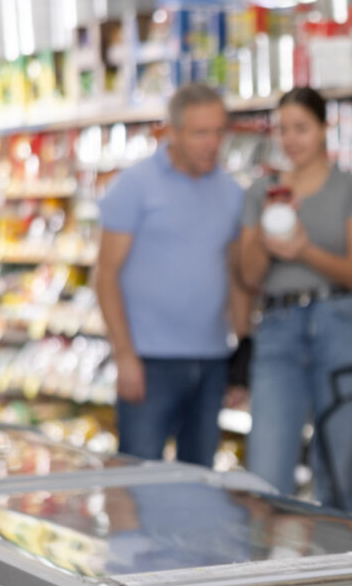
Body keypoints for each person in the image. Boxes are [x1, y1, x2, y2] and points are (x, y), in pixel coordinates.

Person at [237, 87, 352, 511]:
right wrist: (269, 232)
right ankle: (265, 573)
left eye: (301, 128)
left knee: (336, 473)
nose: (291, 139)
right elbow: (248, 275)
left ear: (324, 129)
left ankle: (336, 572)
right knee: (266, 474)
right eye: (282, 129)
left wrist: (304, 251)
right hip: (279, 329)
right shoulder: (261, 192)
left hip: (340, 324)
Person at [96, 83, 249, 467]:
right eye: (201, 132)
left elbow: (234, 273)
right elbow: (106, 275)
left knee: (200, 478)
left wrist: (243, 347)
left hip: (212, 359)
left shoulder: (231, 191)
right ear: (172, 133)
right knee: (136, 476)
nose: (212, 143)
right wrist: (125, 356)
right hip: (150, 361)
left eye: (219, 131)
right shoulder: (134, 186)